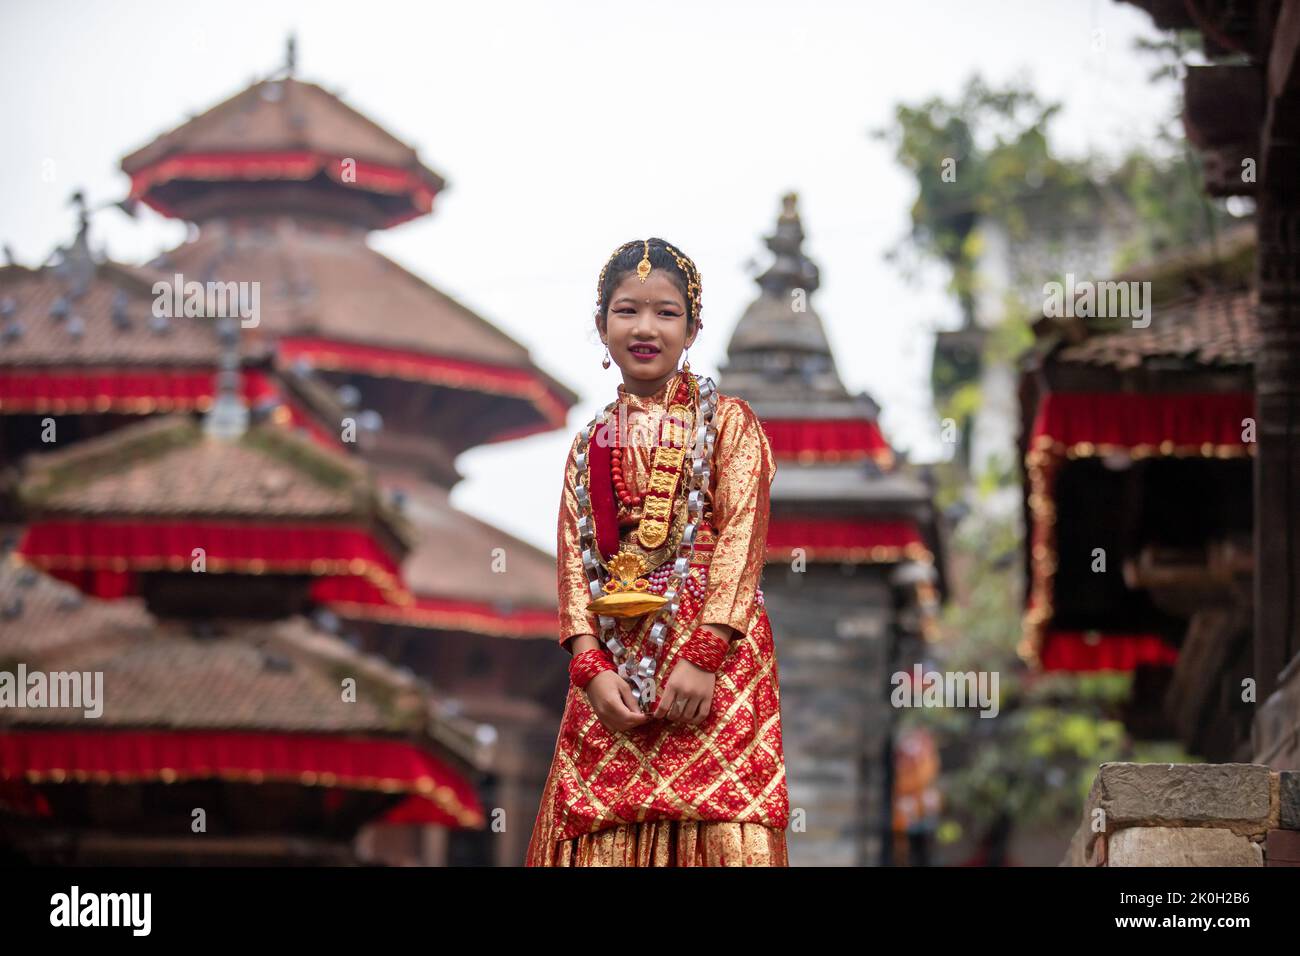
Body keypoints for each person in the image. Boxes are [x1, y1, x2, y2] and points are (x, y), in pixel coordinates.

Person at [525, 238, 790, 866]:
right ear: (601, 326)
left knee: (726, 822)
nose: (645, 328)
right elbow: (571, 562)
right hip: (613, 674)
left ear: (693, 328)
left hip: (715, 664)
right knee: (595, 825)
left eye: (666, 313)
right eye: (627, 311)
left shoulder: (729, 422)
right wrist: (588, 666)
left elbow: (740, 541)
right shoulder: (588, 443)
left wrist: (705, 653)